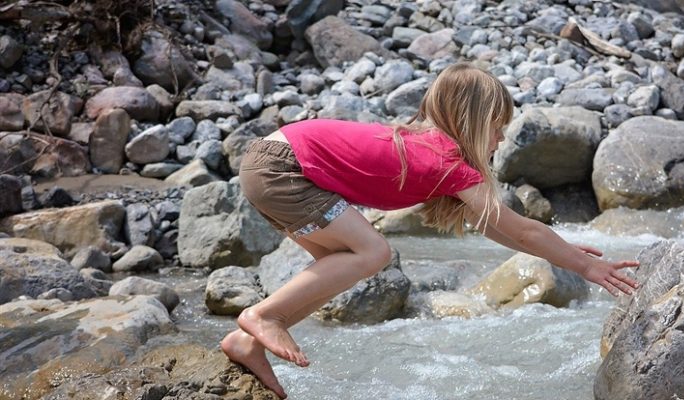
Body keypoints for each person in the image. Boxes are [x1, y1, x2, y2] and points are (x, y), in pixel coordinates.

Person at [219, 63, 640, 398]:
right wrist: (585, 267)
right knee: (374, 253)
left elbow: (497, 229)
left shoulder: (430, 151)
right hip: (283, 166)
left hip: (272, 162)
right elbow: (523, 231)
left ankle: (247, 341)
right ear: (473, 121)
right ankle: (263, 315)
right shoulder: (446, 160)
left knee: (340, 263)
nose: (499, 140)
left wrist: (563, 251)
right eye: (497, 128)